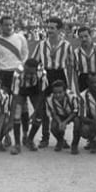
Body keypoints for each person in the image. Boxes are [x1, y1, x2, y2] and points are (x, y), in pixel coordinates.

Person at [32, 17, 74, 149]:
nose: (49, 30)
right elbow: (34, 62)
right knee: (44, 108)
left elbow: (71, 66)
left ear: (59, 30)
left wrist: (70, 84)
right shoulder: (41, 45)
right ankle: (45, 138)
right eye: (48, 28)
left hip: (60, 75)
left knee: (61, 107)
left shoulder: (66, 45)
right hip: (46, 76)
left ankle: (61, 138)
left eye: (52, 28)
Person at [10, 59, 48, 154]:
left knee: (40, 114)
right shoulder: (17, 73)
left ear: (36, 70)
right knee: (17, 114)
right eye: (27, 71)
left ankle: (29, 140)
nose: (28, 74)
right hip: (21, 90)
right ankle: (17, 144)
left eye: (31, 72)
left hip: (35, 90)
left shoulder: (42, 73)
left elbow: (42, 93)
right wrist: (12, 117)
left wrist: (35, 112)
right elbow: (15, 97)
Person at [0, 16, 28, 94]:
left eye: (11, 24)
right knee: (4, 99)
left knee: (19, 100)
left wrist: (21, 67)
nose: (9, 27)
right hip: (4, 74)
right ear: (1, 26)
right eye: (6, 25)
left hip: (18, 73)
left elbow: (25, 55)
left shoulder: (20, 38)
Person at [46, 80, 81, 154]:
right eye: (55, 93)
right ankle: (60, 141)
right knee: (53, 127)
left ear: (65, 91)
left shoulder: (72, 97)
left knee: (77, 122)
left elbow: (76, 111)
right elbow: (53, 113)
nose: (57, 95)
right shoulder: (49, 99)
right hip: (60, 116)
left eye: (60, 92)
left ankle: (74, 145)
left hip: (72, 115)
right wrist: (60, 122)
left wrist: (65, 122)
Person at [74, 26, 96, 93]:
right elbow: (75, 73)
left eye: (86, 36)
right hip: (83, 80)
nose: (84, 39)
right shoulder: (76, 53)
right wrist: (76, 89)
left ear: (91, 35)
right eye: (81, 37)